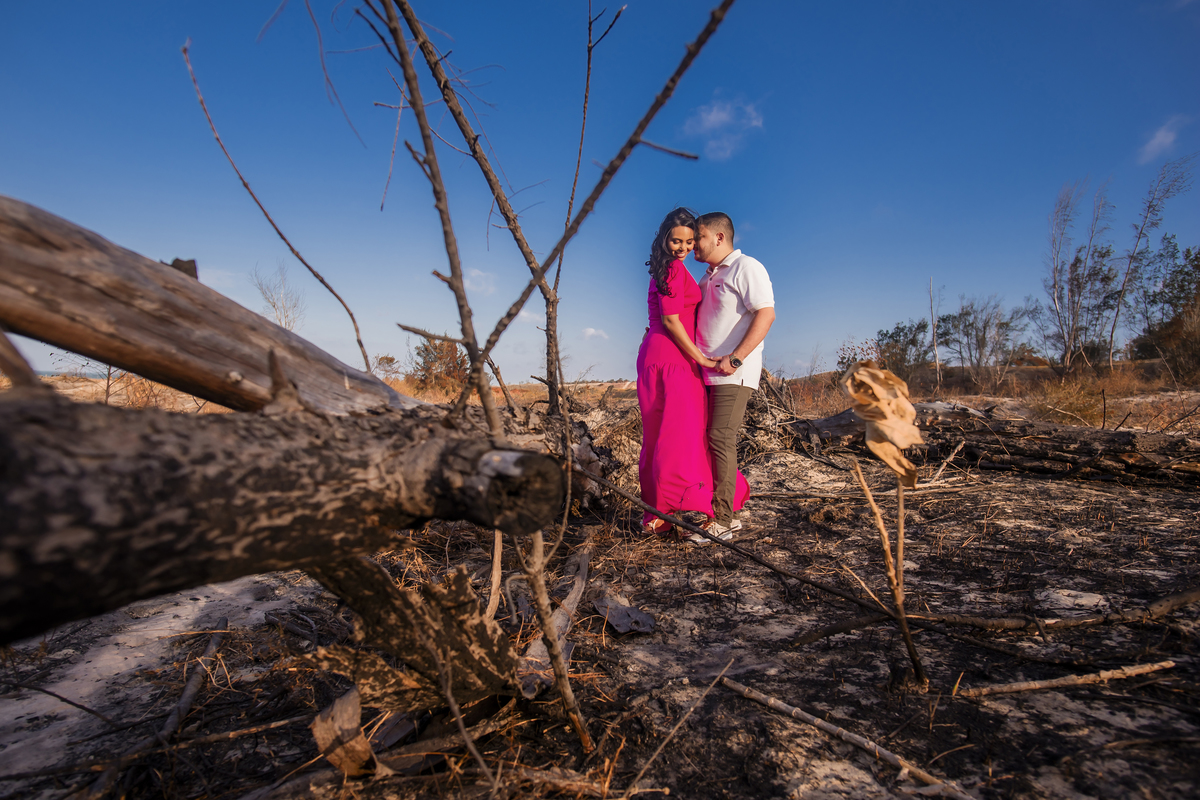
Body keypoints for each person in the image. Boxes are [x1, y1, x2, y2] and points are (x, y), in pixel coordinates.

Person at [636, 208, 748, 536]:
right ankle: (679, 508)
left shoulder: (668, 268)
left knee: (661, 436)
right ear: (663, 238)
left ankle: (658, 514)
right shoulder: (671, 269)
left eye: (688, 241)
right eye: (676, 240)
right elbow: (672, 321)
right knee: (681, 435)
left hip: (659, 355)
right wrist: (702, 358)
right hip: (674, 358)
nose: (683, 247)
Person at [692, 211, 775, 541]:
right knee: (706, 441)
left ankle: (724, 520)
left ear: (719, 238)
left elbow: (766, 313)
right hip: (706, 374)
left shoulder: (746, 267)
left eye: (698, 237)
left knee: (720, 438)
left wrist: (737, 358)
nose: (693, 244)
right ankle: (722, 509)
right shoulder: (707, 276)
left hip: (731, 374)